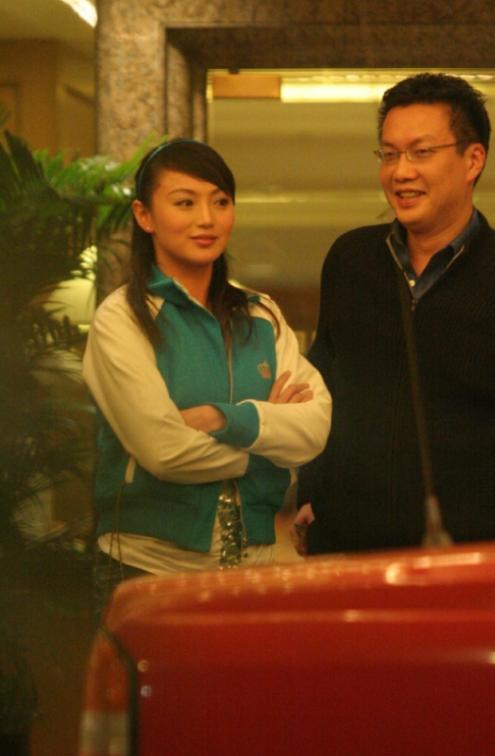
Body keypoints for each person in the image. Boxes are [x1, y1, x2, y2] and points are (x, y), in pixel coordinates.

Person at [292, 72, 495, 555]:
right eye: (389, 154)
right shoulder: (351, 260)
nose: (400, 171)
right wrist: (311, 488)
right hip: (344, 556)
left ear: (473, 160)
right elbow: (321, 387)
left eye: (421, 152)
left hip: (470, 564)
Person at [82, 138, 331, 612]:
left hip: (256, 565)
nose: (206, 219)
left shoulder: (261, 314)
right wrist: (268, 443)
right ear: (144, 216)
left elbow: (315, 428)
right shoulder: (123, 319)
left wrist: (222, 418)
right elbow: (164, 451)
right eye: (185, 203)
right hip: (149, 567)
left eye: (220, 202)